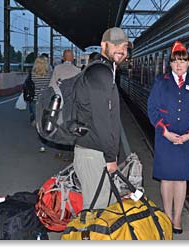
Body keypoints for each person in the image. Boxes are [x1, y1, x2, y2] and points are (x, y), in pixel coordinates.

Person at [147, 40, 189, 234]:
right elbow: (152, 109)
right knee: (166, 178)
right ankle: (167, 216)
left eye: (183, 61)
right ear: (170, 63)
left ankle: (178, 217)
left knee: (180, 179)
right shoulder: (161, 82)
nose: (179, 65)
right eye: (175, 61)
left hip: (185, 140)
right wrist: (165, 132)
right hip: (165, 138)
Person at [73, 27, 132, 209]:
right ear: (103, 46)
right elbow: (102, 119)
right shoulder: (100, 73)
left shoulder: (106, 71)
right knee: (97, 211)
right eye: (115, 45)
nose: (120, 49)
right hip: (94, 153)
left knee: (105, 206)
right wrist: (110, 157)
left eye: (124, 45)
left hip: (95, 151)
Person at [30, 56, 52, 151]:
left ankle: (41, 142)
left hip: (35, 99)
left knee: (38, 122)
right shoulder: (49, 74)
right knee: (45, 121)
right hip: (46, 100)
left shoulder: (33, 74)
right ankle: (44, 142)